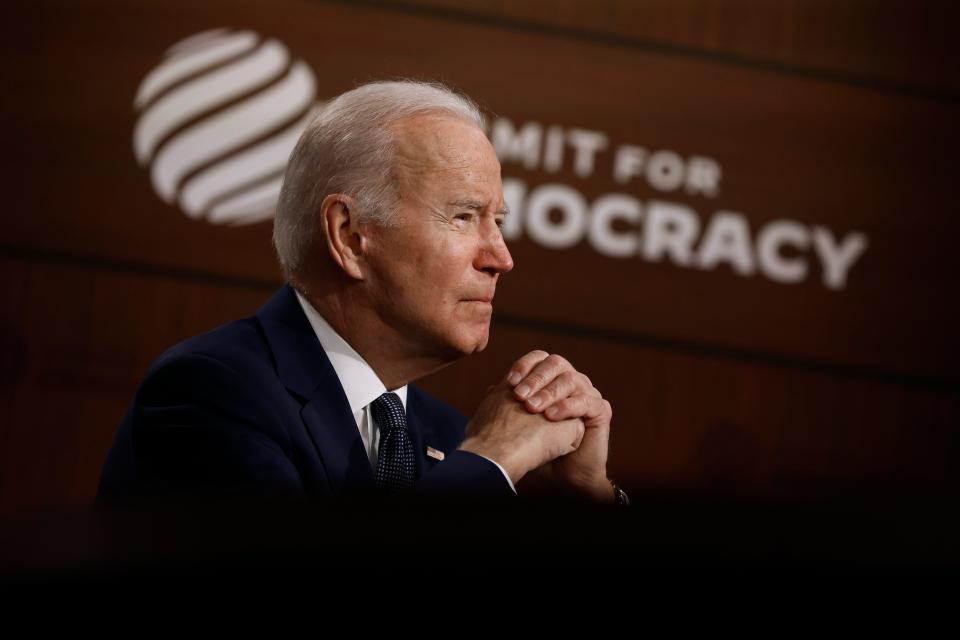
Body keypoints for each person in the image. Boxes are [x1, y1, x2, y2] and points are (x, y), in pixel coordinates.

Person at [97, 80, 625, 506]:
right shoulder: (212, 393)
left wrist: (589, 498)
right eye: (464, 217)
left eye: (499, 222)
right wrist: (490, 463)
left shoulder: (446, 434)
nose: (501, 258)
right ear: (350, 236)